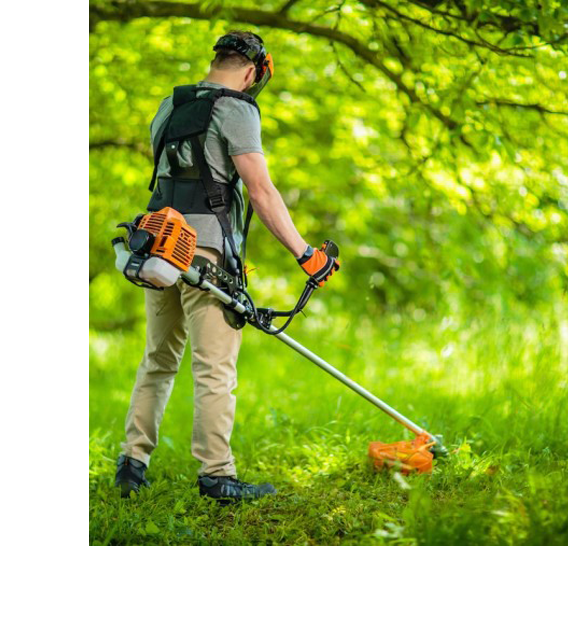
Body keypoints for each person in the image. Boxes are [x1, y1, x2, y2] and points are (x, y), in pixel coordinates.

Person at [115, 30, 339, 501]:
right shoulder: (236, 110)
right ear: (254, 71)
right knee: (214, 369)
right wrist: (306, 254)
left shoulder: (168, 105)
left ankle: (131, 465)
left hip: (157, 249)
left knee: (157, 360)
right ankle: (217, 475)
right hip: (206, 257)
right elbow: (261, 191)